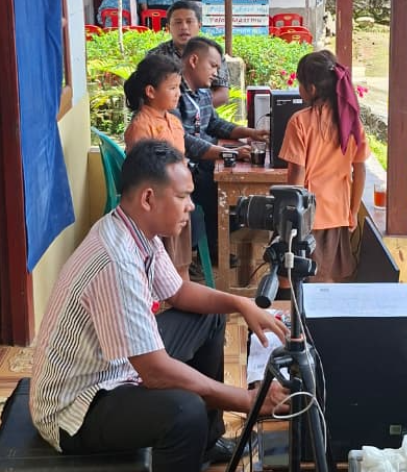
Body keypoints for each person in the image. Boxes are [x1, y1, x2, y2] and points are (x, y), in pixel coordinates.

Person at [29, 140, 289, 472]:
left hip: (117, 366)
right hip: (76, 406)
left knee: (210, 318)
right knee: (185, 411)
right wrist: (248, 400)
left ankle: (206, 443)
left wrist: (241, 304)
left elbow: (179, 292)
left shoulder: (137, 230)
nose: (191, 206)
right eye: (182, 197)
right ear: (148, 198)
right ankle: (189, 441)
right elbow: (154, 371)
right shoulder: (116, 261)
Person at [176, 37, 268, 265]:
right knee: (229, 195)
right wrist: (229, 153)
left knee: (237, 193)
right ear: (194, 61)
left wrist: (251, 132)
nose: (216, 73)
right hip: (182, 172)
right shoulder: (173, 91)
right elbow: (183, 140)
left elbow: (214, 123)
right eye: (213, 66)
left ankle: (212, 246)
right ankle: (209, 249)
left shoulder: (202, 92)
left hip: (199, 165)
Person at [279, 50, 369, 282]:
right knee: (329, 280)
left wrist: (291, 216)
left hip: (308, 215)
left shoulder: (299, 122)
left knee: (298, 278)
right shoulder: (352, 123)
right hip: (338, 213)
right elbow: (360, 170)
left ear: (311, 89)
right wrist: (352, 211)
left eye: (300, 83)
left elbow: (297, 173)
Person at [124, 54, 193, 281]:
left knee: (180, 260)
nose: (178, 93)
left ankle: (182, 291)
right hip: (159, 206)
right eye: (172, 88)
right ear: (151, 92)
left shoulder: (173, 121)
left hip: (177, 200)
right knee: (163, 265)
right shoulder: (141, 127)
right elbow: (143, 174)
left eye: (178, 87)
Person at [148, 1, 229, 108]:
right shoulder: (155, 56)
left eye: (189, 21)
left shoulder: (213, 54)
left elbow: (222, 94)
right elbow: (148, 94)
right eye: (178, 22)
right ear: (168, 28)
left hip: (203, 114)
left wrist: (192, 110)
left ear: (199, 26)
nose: (184, 27)